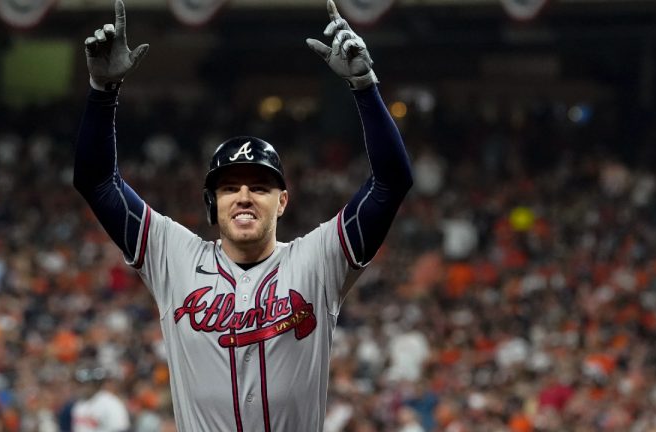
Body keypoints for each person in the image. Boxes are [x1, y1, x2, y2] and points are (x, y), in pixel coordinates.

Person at [73, 0, 413, 430]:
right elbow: (96, 180)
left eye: (260, 186)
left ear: (283, 201)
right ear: (211, 204)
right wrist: (103, 93)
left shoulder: (318, 259)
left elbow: (391, 182)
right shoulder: (172, 255)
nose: (245, 196)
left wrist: (365, 86)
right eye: (230, 187)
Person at [70, 366, 130, 432]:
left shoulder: (111, 403)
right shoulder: (79, 404)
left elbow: (121, 429)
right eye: (80, 384)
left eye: (85, 384)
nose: (81, 387)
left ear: (96, 384)